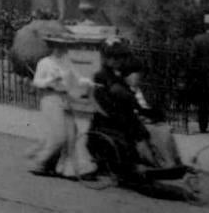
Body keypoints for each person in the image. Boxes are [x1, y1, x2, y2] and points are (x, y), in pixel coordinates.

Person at [27, 34, 96, 178]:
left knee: (72, 135)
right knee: (59, 135)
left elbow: (78, 78)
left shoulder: (68, 63)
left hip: (66, 98)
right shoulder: (45, 63)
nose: (61, 48)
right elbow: (37, 82)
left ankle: (69, 168)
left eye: (64, 46)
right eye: (58, 45)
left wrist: (89, 83)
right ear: (52, 46)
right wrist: (51, 80)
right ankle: (40, 161)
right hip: (50, 98)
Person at [88, 40, 151, 182]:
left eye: (120, 58)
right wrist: (120, 115)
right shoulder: (101, 76)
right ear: (107, 58)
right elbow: (102, 101)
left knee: (146, 131)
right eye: (115, 58)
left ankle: (151, 162)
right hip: (108, 118)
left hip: (122, 115)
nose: (118, 61)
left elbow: (129, 98)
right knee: (132, 132)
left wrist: (139, 111)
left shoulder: (118, 75)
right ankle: (135, 165)